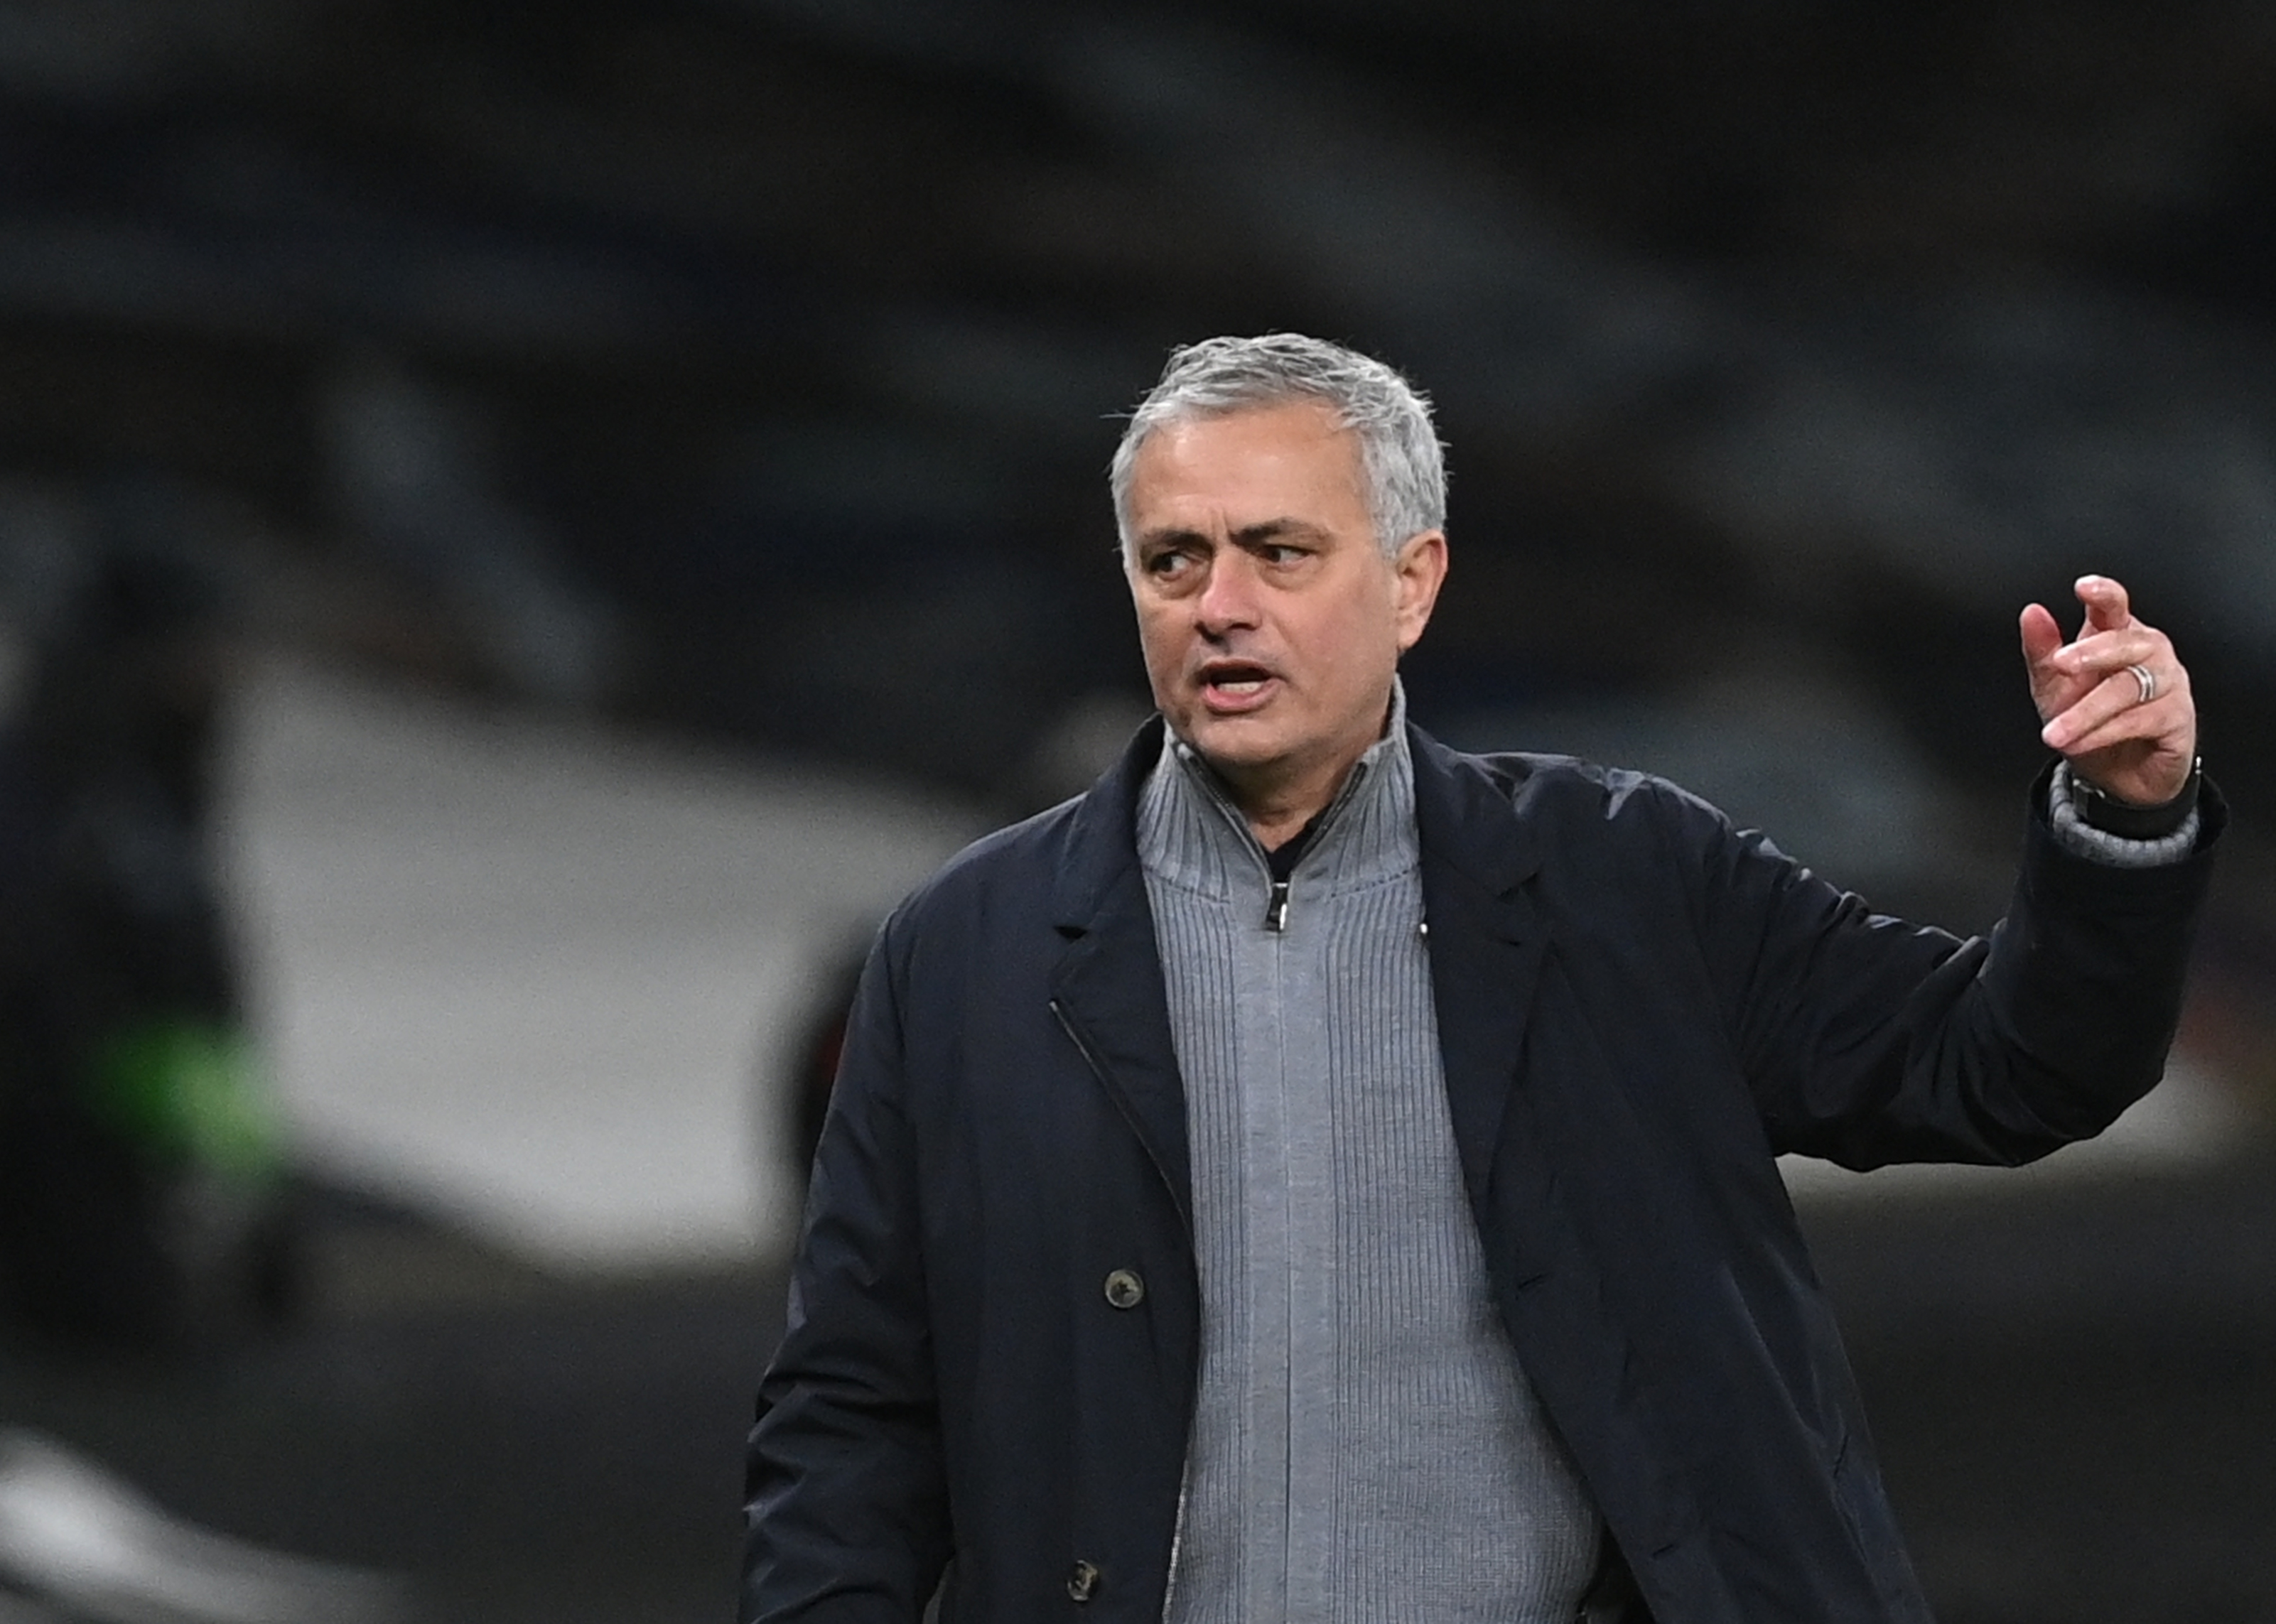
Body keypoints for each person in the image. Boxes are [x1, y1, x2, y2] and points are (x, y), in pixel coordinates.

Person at [741, 335, 2218, 1623]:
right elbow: (860, 1410)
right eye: (1173, 559)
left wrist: (2122, 821)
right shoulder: (964, 951)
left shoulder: (1626, 880)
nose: (1219, 605)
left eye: (1281, 551)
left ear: (1412, 581)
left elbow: (2005, 1068)